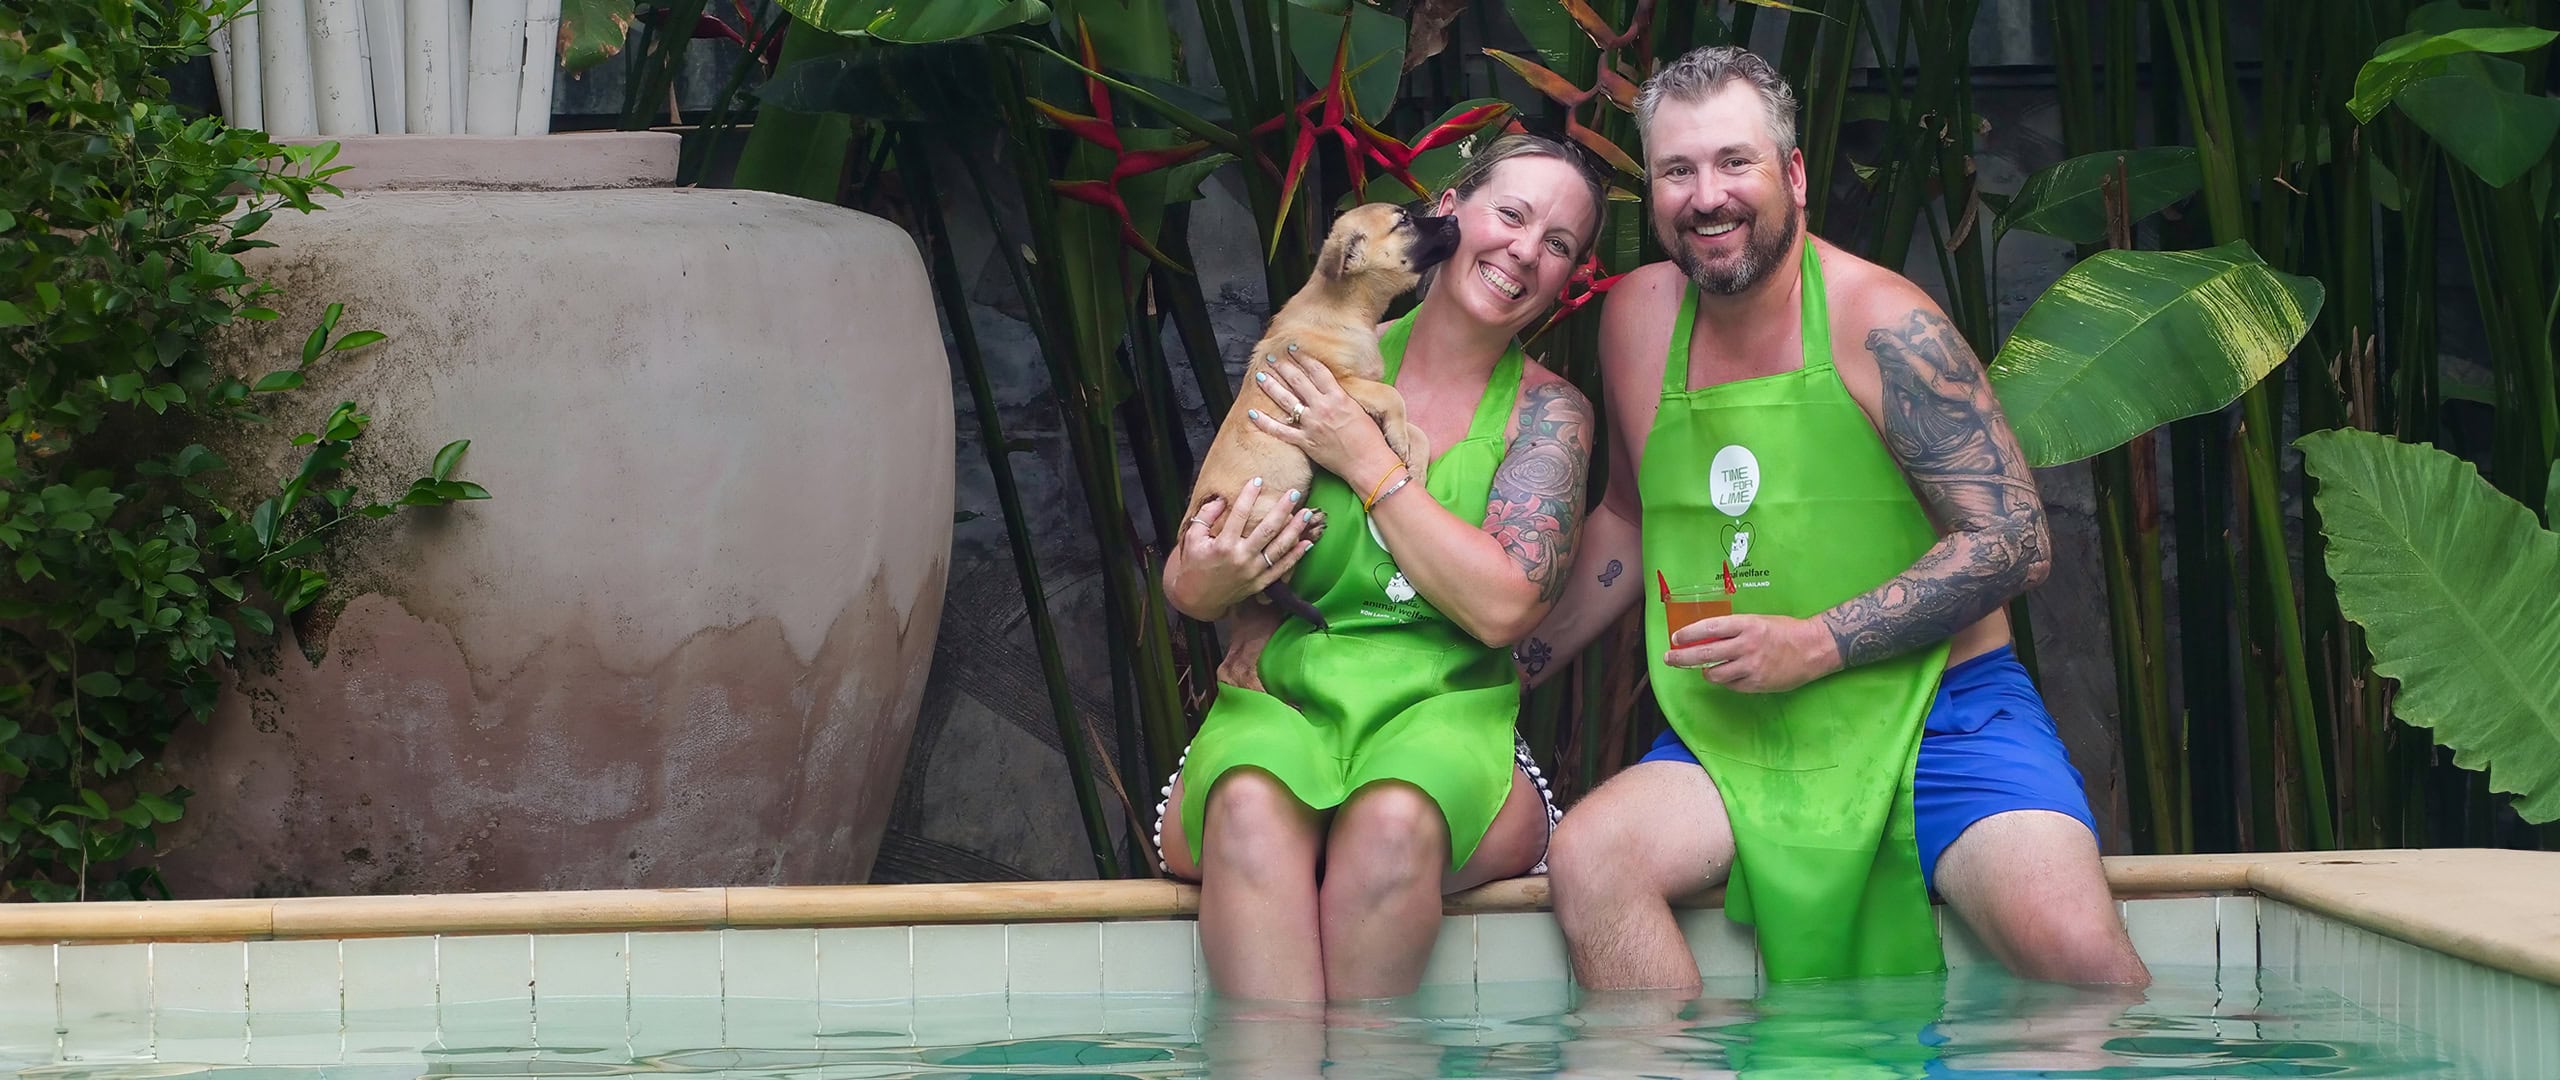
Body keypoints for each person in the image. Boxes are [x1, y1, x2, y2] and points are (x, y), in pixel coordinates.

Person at [1520, 47, 2150, 988]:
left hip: (1944, 718)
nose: (1707, 197)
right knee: (1592, 860)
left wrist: (1819, 642)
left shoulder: (1885, 320)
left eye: (1735, 162)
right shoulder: (1636, 317)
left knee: (2079, 957)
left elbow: (2014, 542)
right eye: (1676, 171)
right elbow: (1627, 516)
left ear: (1795, 175)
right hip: (1741, 726)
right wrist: (1505, 669)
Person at [1153, 134, 1607, 1002]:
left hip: (1444, 713)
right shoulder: (1312, 352)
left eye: (1558, 244)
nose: (1524, 251)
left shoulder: (1550, 416)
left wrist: (1367, 458)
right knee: (1248, 807)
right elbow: (1192, 577)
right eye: (1511, 215)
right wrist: (1214, 579)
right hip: (1287, 696)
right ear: (1450, 212)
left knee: (1394, 817)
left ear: (1568, 276)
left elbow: (1506, 609)